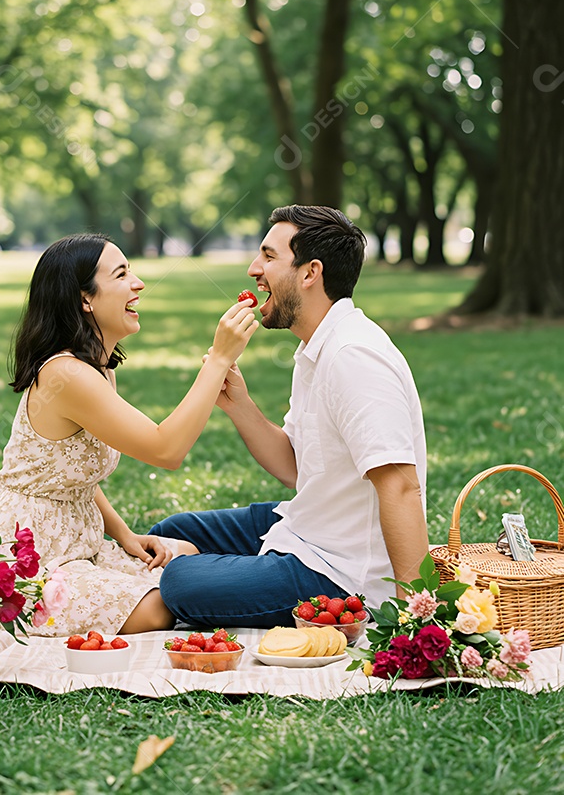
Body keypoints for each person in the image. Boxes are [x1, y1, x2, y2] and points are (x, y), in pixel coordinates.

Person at [149, 205, 429, 628]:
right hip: (307, 523)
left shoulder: (354, 357)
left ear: (310, 272)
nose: (252, 269)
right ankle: (237, 566)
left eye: (268, 256)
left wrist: (417, 617)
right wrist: (239, 406)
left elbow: (400, 486)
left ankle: (220, 574)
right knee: (171, 532)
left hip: (341, 572)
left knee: (180, 580)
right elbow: (297, 468)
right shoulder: (316, 346)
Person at [0, 233, 257, 636]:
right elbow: (167, 450)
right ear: (84, 299)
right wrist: (219, 359)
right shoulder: (66, 374)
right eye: (122, 274)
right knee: (164, 605)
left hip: (79, 542)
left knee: (185, 558)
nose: (138, 284)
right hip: (30, 555)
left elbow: (73, 474)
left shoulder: (96, 368)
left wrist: (125, 535)